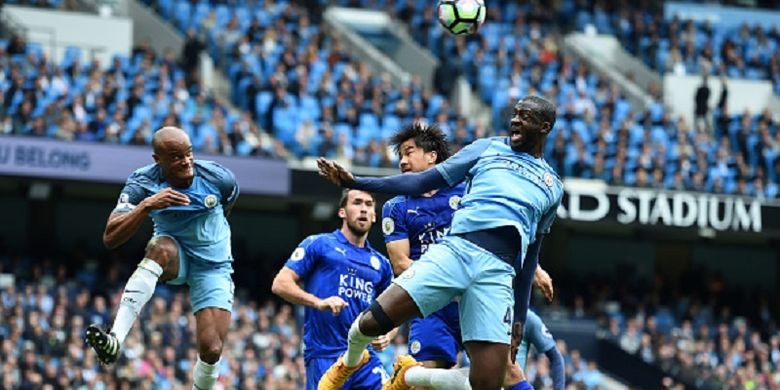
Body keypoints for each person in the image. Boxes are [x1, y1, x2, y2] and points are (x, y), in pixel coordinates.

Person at [316, 96, 564, 390]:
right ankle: (350, 359)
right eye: (515, 114)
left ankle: (407, 376)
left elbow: (531, 254)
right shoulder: (487, 148)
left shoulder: (552, 186)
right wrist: (356, 182)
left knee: (490, 382)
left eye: (525, 116)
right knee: (370, 324)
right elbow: (420, 182)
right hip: (455, 253)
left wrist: (519, 320)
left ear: (544, 127)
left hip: (498, 274)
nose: (515, 120)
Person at [381, 122, 561, 389]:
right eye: (400, 157)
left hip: (477, 295)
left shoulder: (467, 191)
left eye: (409, 152)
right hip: (435, 306)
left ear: (432, 156)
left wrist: (534, 270)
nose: (403, 162)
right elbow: (400, 263)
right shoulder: (395, 207)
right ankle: (410, 377)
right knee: (425, 379)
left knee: (507, 372)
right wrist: (449, 280)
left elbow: (500, 234)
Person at [85, 127, 239, 390]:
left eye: (189, 153)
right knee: (159, 247)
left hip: (213, 267)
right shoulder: (142, 182)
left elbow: (228, 207)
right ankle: (115, 340)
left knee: (212, 349)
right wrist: (147, 205)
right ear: (158, 160)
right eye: (176, 156)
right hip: (174, 254)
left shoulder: (219, 177)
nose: (186, 161)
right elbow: (110, 237)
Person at [272, 189, 395, 390]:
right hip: (325, 356)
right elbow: (280, 284)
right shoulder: (320, 244)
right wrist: (318, 302)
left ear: (374, 216)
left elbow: (395, 307)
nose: (363, 209)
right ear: (342, 212)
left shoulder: (381, 264)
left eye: (368, 204)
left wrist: (388, 335)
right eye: (356, 203)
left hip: (364, 358)